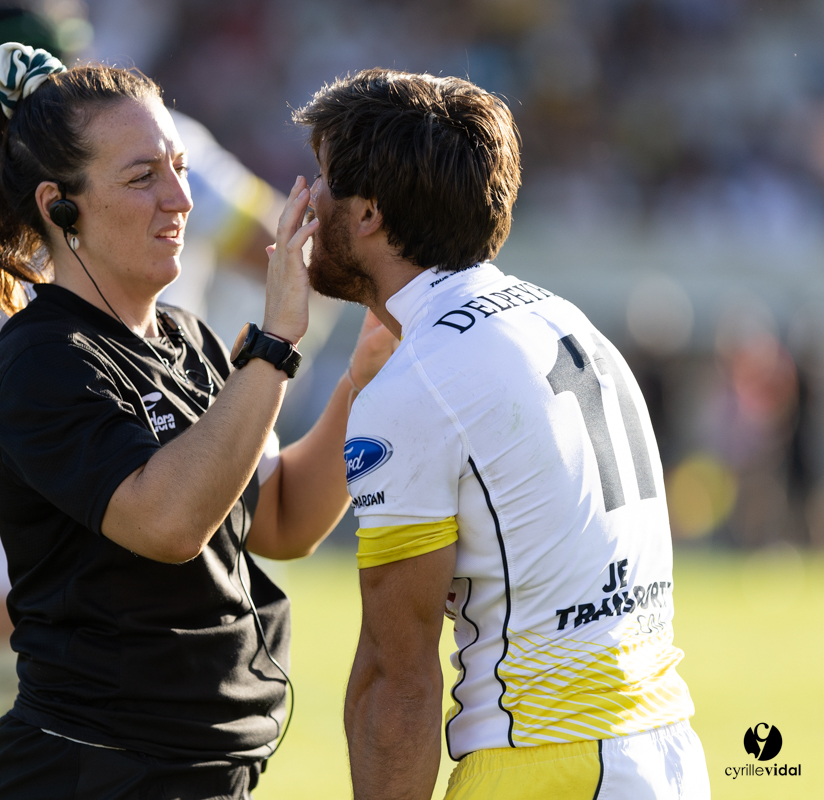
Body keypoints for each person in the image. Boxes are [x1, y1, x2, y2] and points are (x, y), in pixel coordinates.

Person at [0, 44, 395, 798]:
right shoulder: (40, 361)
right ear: (60, 207)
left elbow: (279, 518)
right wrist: (274, 346)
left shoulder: (186, 338)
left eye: (180, 168)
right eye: (142, 176)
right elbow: (168, 522)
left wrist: (363, 378)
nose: (182, 200)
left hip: (202, 773)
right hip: (95, 774)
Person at [292, 70, 710, 798]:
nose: (303, 199)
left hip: (550, 762)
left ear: (367, 215)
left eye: (323, 179)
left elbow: (398, 679)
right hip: (665, 750)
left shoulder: (418, 380)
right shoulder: (565, 319)